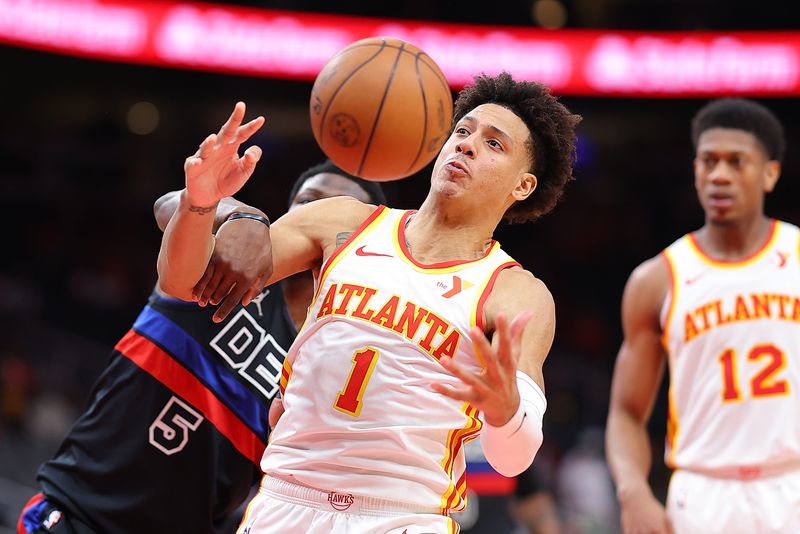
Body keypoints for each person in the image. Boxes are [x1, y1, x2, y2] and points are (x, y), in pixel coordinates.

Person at [159, 72, 580, 533]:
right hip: (285, 501)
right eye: (462, 131)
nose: (466, 145)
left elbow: (513, 459)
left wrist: (504, 412)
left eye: (494, 144)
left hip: (400, 516)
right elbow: (185, 282)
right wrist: (200, 204)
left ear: (522, 186)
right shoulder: (342, 222)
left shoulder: (515, 291)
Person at [17, 156, 385, 534]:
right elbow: (168, 206)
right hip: (78, 512)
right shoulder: (223, 262)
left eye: (335, 213)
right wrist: (244, 215)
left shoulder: (332, 352)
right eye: (309, 201)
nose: (318, 216)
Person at [606, 98, 800, 534]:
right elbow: (626, 410)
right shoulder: (657, 279)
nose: (719, 175)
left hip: (793, 481)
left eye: (737, 162)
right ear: (695, 170)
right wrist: (633, 491)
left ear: (770, 173)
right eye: (708, 162)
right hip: (703, 495)